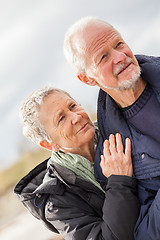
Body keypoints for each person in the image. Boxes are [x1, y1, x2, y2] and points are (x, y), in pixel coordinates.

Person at [63, 16, 160, 240]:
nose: (120, 57)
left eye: (119, 44)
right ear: (87, 79)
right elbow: (144, 233)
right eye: (103, 57)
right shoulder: (112, 158)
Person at [14, 86, 139, 240]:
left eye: (73, 106)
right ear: (49, 144)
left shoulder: (120, 130)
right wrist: (119, 181)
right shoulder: (57, 202)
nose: (76, 117)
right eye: (61, 119)